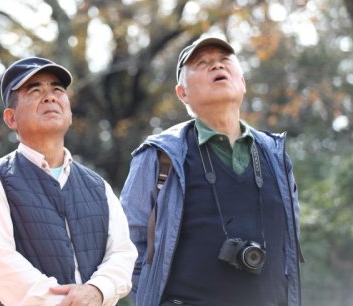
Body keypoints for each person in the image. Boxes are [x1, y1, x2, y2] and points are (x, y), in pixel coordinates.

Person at [120, 36, 303, 306]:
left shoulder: (275, 155)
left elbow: (289, 244)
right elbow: (128, 248)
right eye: (202, 63)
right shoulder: (160, 156)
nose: (217, 67)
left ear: (242, 82)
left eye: (224, 61)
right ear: (182, 92)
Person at [0, 57, 137, 305]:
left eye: (57, 90)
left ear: (69, 111)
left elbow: (122, 253)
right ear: (11, 118)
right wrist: (63, 302)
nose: (50, 97)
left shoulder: (97, 186)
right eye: (35, 90)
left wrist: (97, 290)